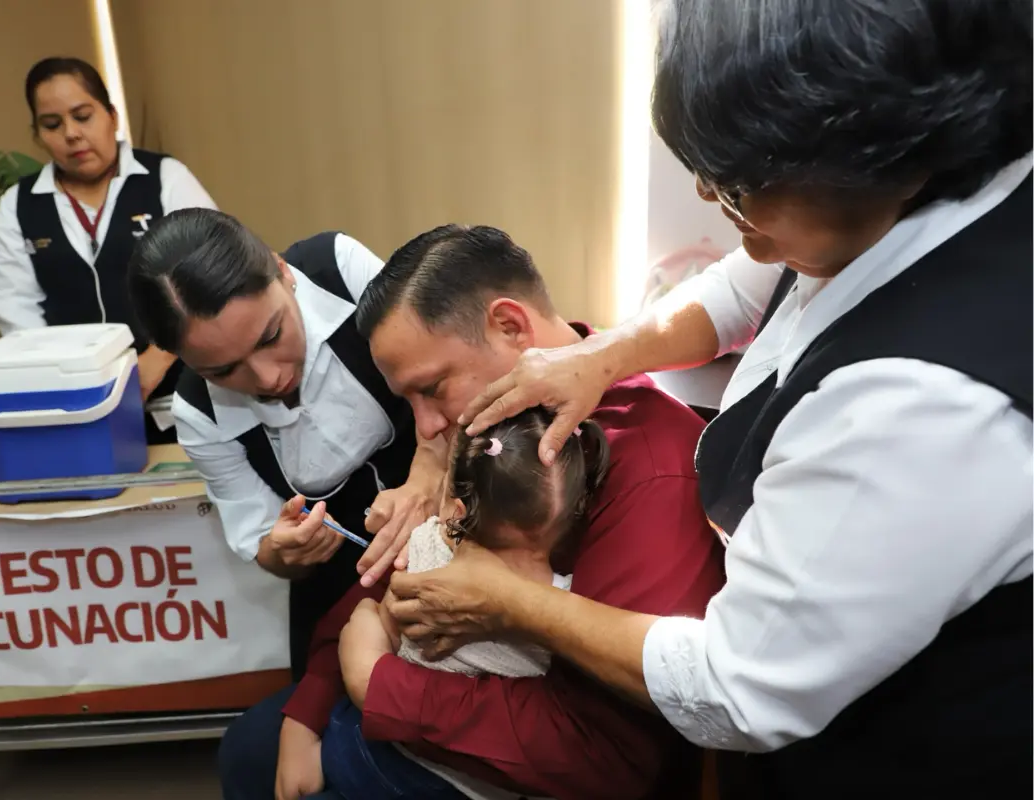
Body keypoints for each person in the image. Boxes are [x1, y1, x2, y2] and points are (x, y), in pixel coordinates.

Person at [385, 2, 1033, 799]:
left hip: (902, 749)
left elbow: (737, 686)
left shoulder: (922, 405)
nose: (708, 199)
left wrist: (512, 603)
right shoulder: (864, 208)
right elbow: (741, 286)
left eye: (734, 185)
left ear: (876, 152)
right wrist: (604, 353)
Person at [219, 224, 727, 800]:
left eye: (432, 389)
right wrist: (311, 703)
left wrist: (378, 684)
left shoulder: (649, 465)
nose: (427, 429)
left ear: (510, 326)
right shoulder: (484, 428)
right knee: (254, 745)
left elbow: (604, 754)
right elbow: (397, 575)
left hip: (539, 757)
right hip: (430, 682)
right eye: (407, 402)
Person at [126, 208, 445, 677]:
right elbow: (263, 544)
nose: (269, 377)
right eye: (222, 371)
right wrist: (287, 553)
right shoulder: (198, 415)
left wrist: (428, 472)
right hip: (342, 580)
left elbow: (449, 367)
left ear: (282, 273)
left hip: (455, 516)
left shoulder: (340, 271)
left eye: (271, 335)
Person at [315, 408, 610, 800]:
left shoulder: (425, 546)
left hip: (381, 754)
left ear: (457, 510)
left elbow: (386, 621)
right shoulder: (567, 606)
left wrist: (366, 626)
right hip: (481, 785)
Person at [0, 56, 217, 444]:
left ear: (111, 115)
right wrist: (76, 385)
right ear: (37, 134)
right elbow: (16, 314)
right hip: (80, 412)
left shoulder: (164, 178)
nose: (71, 134)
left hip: (185, 400)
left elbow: (210, 274)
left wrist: (154, 361)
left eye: (83, 115)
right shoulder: (19, 205)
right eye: (53, 124)